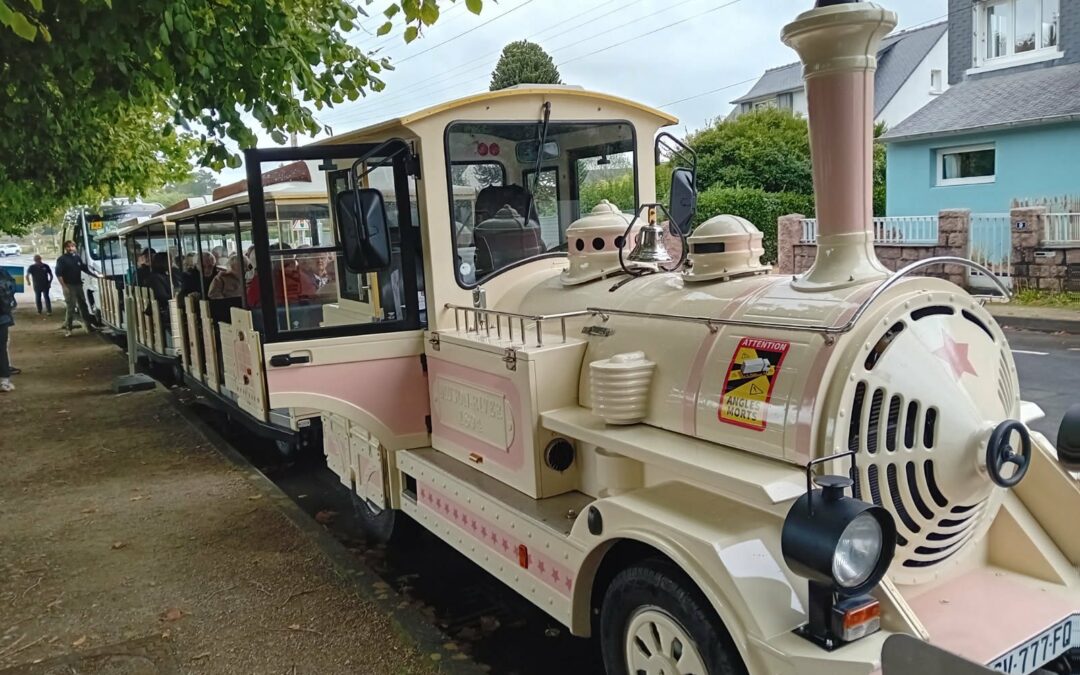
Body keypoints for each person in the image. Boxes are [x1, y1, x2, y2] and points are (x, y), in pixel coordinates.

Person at [56, 240, 100, 337]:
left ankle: (88, 326)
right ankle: (68, 328)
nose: (71, 248)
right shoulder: (62, 259)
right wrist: (64, 286)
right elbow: (58, 274)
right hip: (69, 285)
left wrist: (97, 275)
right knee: (71, 307)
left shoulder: (77, 258)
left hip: (78, 285)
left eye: (72, 246)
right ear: (65, 248)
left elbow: (84, 269)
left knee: (83, 306)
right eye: (68, 247)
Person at [0, 266, 16, 391]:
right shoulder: (3, 272)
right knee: (1, 349)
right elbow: (12, 289)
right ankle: (4, 381)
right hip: (2, 317)